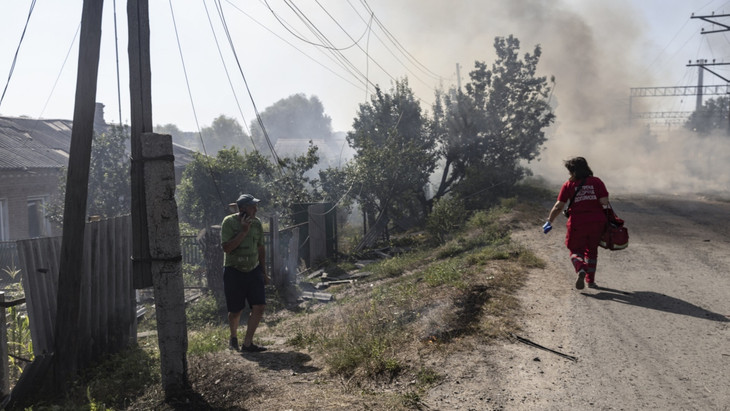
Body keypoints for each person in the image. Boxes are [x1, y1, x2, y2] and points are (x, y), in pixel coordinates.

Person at [542, 157, 610, 290]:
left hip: (577, 223)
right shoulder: (597, 182)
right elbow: (604, 202)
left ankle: (580, 269)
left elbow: (558, 206)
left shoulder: (568, 185)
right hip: (597, 222)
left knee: (575, 250)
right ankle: (590, 281)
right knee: (592, 251)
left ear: (572, 171)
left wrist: (549, 221)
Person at [220, 193, 268, 352]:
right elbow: (227, 248)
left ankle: (248, 343)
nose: (256, 209)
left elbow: (261, 248)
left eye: (256, 206)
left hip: (253, 270)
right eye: (252, 206)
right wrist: (243, 231)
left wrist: (264, 271)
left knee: (259, 306)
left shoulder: (257, 223)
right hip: (234, 271)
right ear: (243, 209)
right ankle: (233, 337)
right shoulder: (229, 222)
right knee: (235, 311)